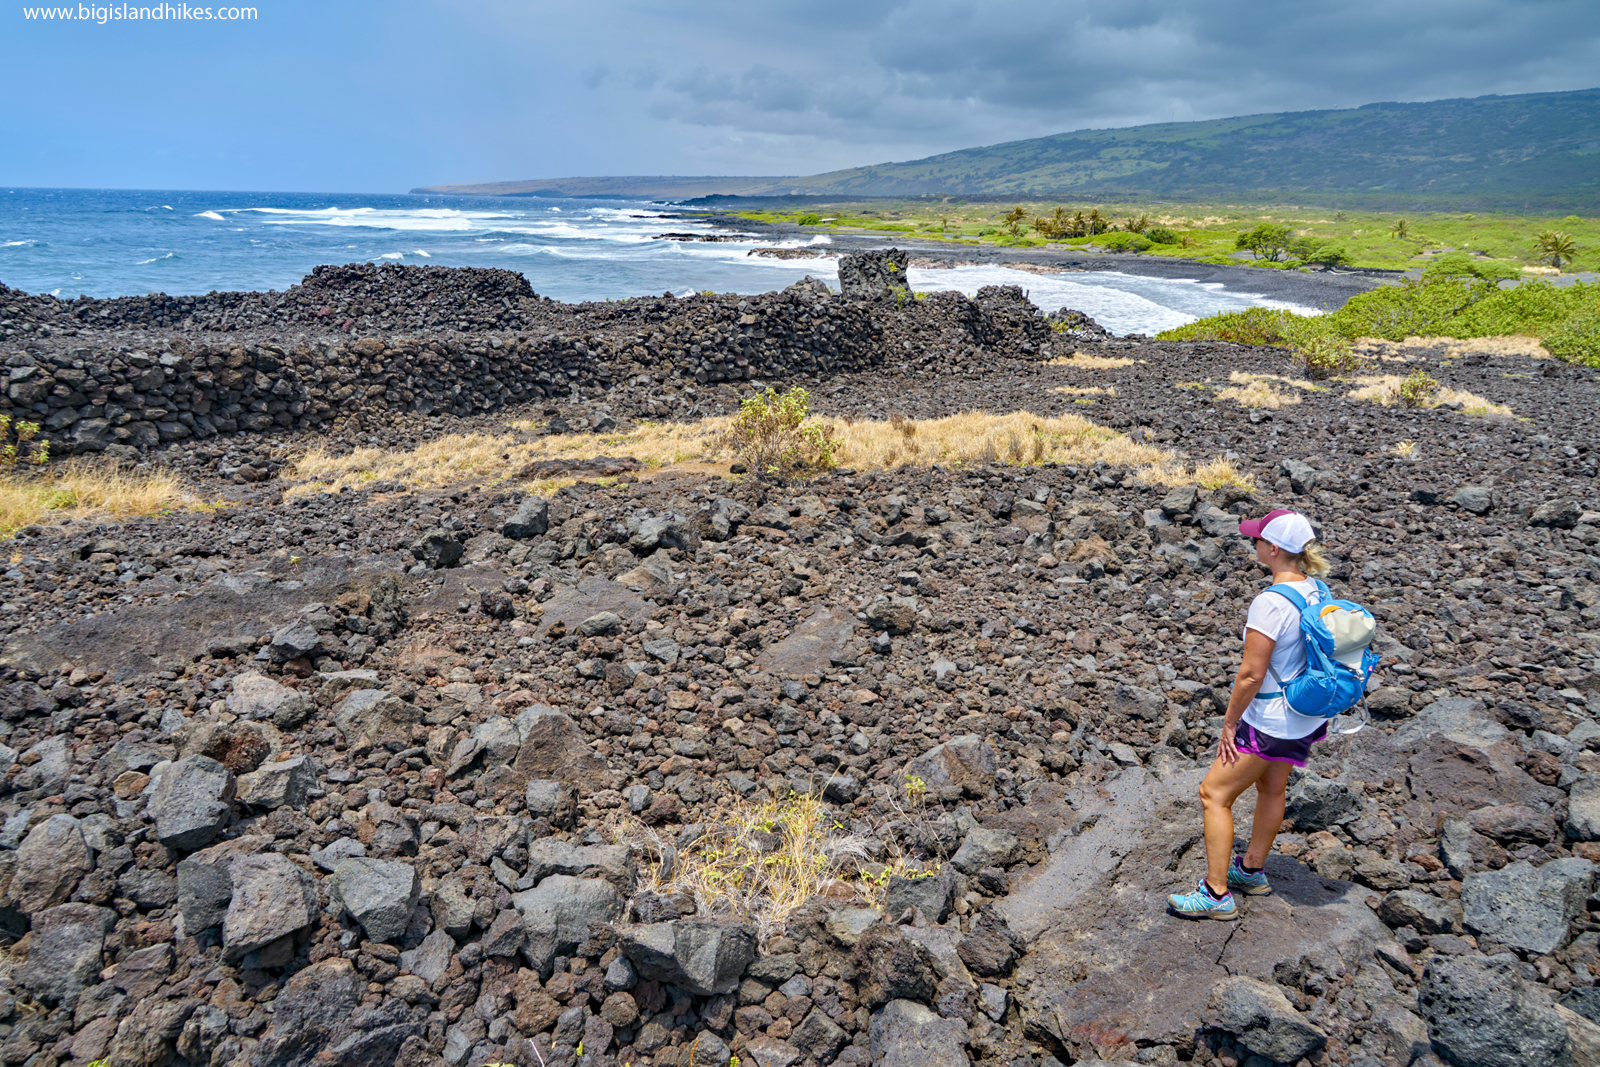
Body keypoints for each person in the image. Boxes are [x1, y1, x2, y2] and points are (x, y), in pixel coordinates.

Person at [1168, 509, 1333, 920]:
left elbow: (1251, 675)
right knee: (1272, 788)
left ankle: (1216, 894)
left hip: (1270, 719)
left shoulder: (1270, 602)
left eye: (1257, 539)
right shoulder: (1317, 589)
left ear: (1273, 549)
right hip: (1304, 715)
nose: (1253, 543)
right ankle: (1251, 870)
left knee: (1214, 794)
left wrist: (1229, 723)